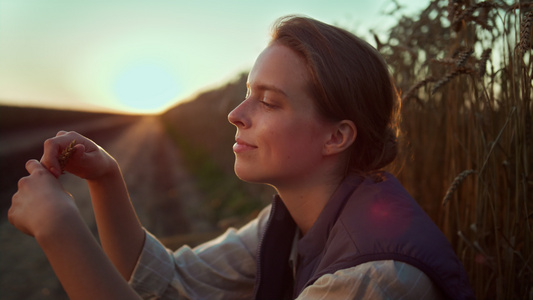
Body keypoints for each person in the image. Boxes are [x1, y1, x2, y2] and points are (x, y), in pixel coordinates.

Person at [8, 15, 474, 300]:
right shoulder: (292, 219)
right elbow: (173, 284)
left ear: (337, 136)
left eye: (268, 101)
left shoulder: (373, 281)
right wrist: (106, 179)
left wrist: (59, 231)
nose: (235, 114)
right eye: (247, 95)